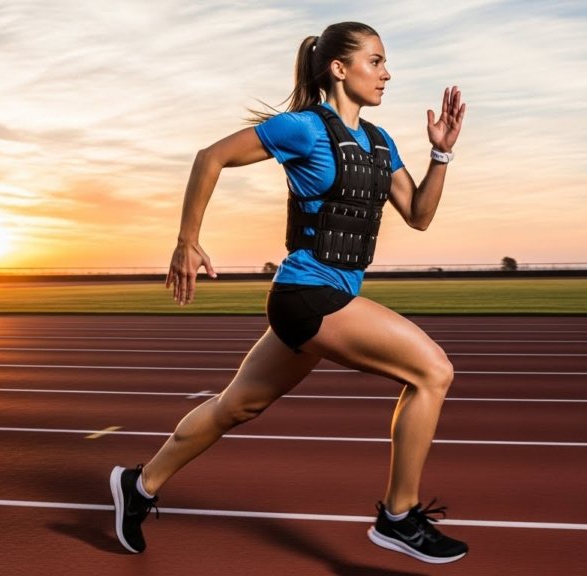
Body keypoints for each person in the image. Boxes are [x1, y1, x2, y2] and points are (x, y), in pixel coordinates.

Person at [110, 21, 468, 565]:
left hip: (325, 300)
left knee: (237, 405)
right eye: (375, 61)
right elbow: (210, 157)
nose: (387, 73)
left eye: (385, 62)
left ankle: (139, 486)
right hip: (305, 294)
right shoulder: (302, 129)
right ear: (339, 69)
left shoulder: (379, 142)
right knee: (432, 370)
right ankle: (399, 515)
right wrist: (187, 241)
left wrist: (440, 156)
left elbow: (418, 215)